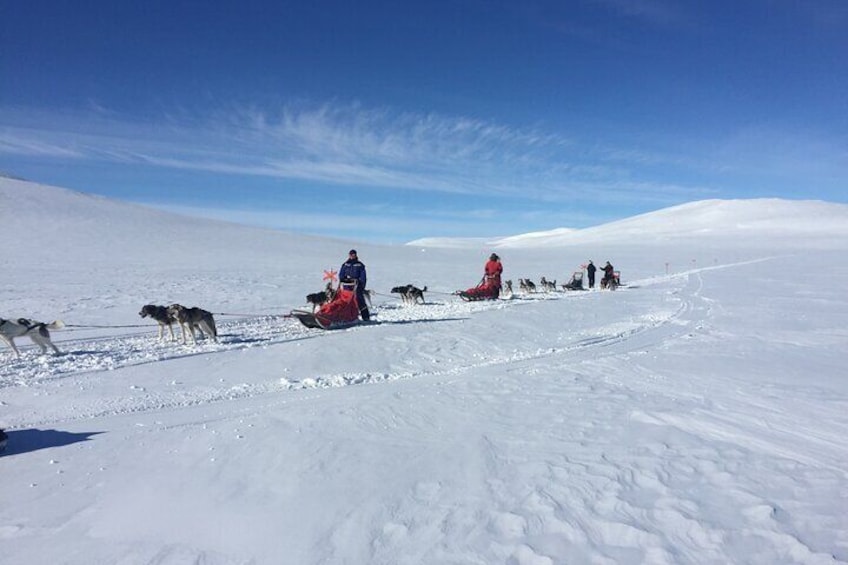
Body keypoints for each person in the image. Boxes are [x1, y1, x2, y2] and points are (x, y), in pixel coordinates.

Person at [339, 249, 370, 321]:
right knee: (346, 302)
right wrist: (342, 279)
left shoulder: (360, 265)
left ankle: (366, 317)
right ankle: (346, 317)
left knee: (360, 301)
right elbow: (341, 274)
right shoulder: (345, 264)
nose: (352, 256)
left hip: (357, 286)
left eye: (354, 255)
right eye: (351, 255)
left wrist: (362, 286)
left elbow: (363, 277)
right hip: (347, 286)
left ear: (356, 255)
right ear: (349, 255)